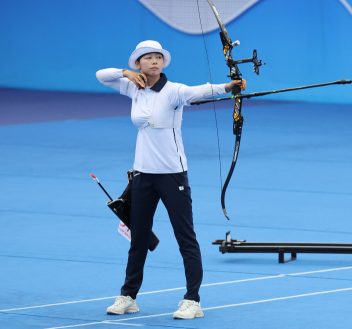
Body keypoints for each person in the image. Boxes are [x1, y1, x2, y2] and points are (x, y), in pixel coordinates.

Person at [96, 40, 246, 319]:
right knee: (138, 238)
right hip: (142, 175)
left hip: (172, 175)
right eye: (147, 58)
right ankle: (129, 296)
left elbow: (199, 91)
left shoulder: (174, 91)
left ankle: (193, 300)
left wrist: (228, 88)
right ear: (138, 64)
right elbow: (101, 75)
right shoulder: (132, 87)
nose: (154, 62)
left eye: (158, 58)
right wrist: (125, 73)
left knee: (185, 236)